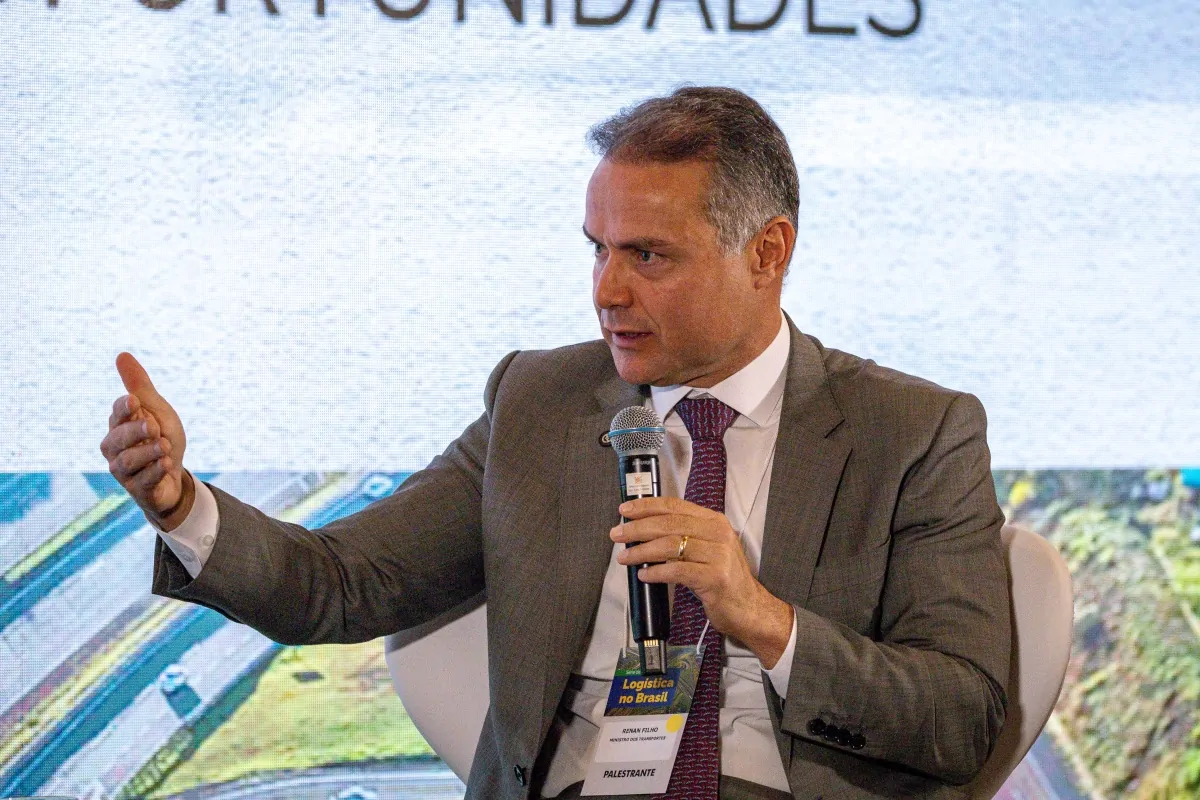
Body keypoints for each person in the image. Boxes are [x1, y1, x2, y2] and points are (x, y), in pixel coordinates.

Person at [100, 87, 1010, 800]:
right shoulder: (540, 401)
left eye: (647, 255)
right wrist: (182, 506)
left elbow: (961, 717)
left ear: (767, 253)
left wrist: (763, 617)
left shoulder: (914, 433)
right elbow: (342, 583)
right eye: (597, 249)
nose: (606, 291)